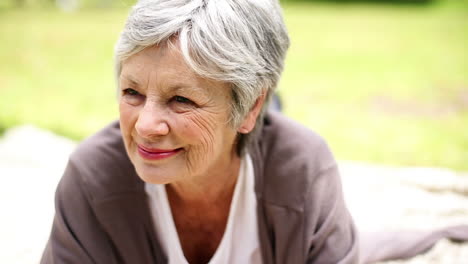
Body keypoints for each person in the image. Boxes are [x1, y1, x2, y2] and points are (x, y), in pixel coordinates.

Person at [40, 0, 468, 263]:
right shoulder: (92, 177)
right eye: (132, 91)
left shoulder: (303, 168)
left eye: (181, 100)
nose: (145, 126)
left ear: (251, 106)